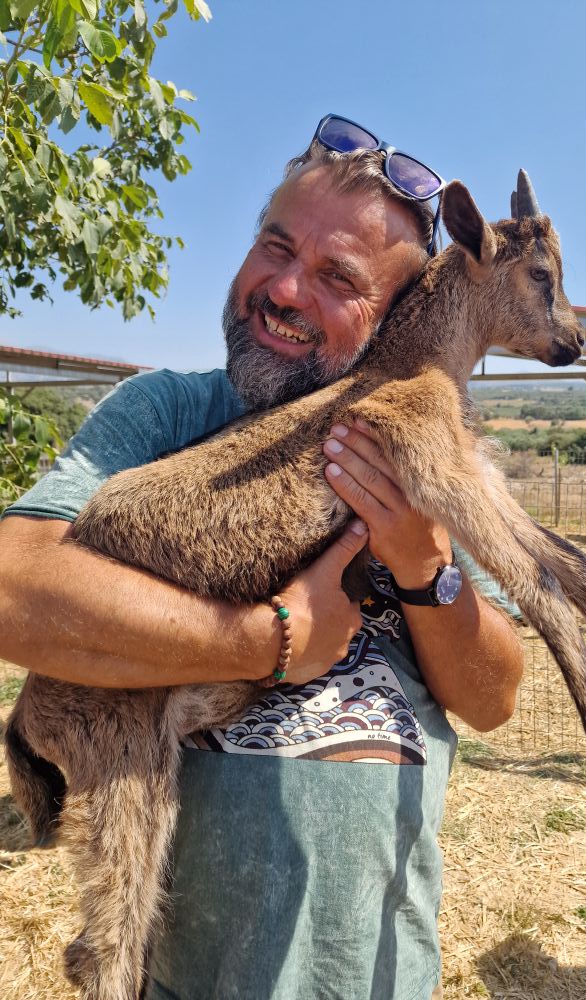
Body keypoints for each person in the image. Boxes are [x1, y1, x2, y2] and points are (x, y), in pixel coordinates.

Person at [0, 115, 524, 1000]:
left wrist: (422, 563)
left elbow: (494, 697)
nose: (283, 288)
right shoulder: (168, 414)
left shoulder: (414, 449)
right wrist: (270, 639)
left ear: (396, 317)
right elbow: (14, 587)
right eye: (273, 246)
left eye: (337, 278)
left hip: (376, 975)